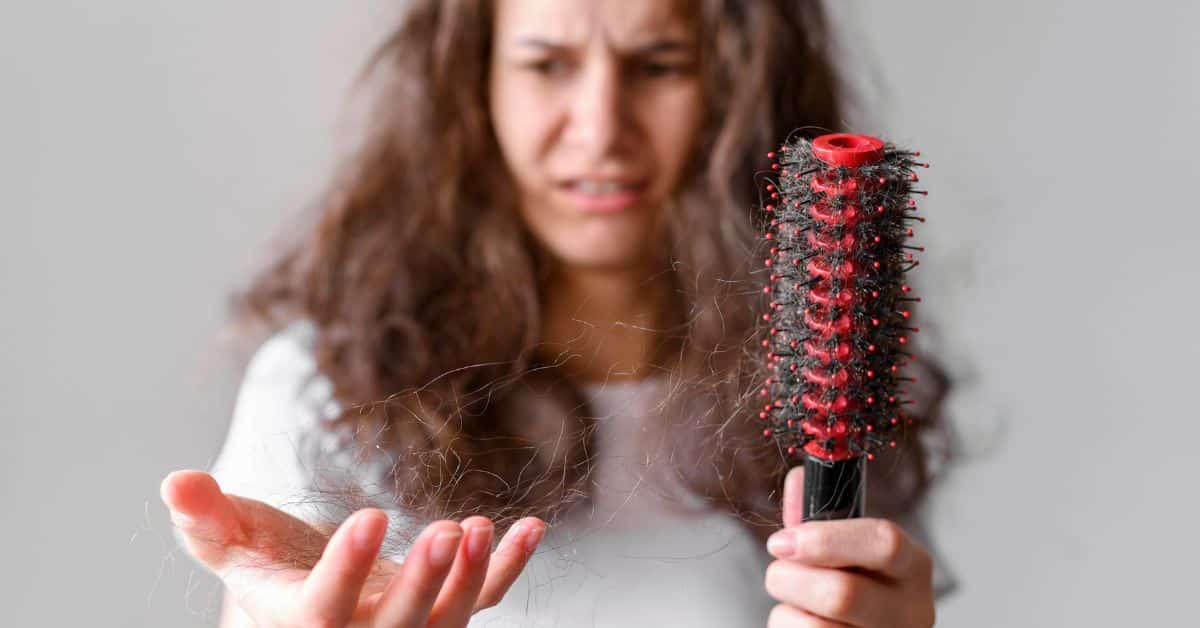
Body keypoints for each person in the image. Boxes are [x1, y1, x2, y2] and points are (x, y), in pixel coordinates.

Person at [161, 1, 953, 626]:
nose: (602, 128)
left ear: (738, 87)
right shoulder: (323, 390)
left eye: (659, 64)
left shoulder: (832, 386)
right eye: (546, 65)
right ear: (475, 86)